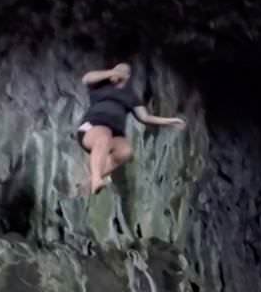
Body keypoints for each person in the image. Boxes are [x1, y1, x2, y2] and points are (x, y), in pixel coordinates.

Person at [77, 63, 186, 195]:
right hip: (92, 126)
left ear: (127, 76)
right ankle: (96, 179)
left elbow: (145, 118)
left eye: (122, 71)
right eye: (116, 69)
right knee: (103, 137)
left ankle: (92, 179)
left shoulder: (131, 96)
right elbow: (87, 78)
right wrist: (111, 73)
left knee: (125, 151)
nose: (117, 72)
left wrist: (171, 121)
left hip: (114, 133)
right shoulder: (100, 86)